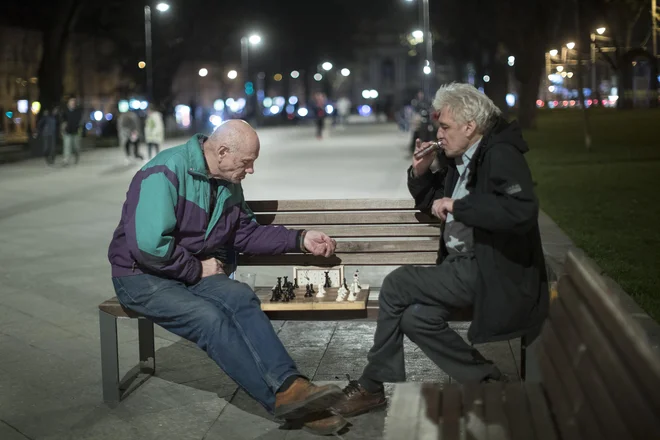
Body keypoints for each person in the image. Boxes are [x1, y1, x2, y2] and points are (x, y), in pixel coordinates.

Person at [107, 120, 347, 435]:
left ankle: (292, 387)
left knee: (240, 297)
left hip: (186, 270)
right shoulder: (165, 171)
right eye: (247, 162)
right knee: (208, 318)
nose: (250, 171)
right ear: (222, 152)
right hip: (141, 276)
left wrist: (300, 239)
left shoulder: (226, 180)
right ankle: (281, 404)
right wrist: (195, 269)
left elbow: (244, 233)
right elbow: (149, 247)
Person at [333, 83, 549, 417]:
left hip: (493, 270)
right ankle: (486, 379)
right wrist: (421, 172)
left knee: (396, 284)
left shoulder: (500, 154)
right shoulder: (463, 159)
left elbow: (520, 210)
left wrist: (461, 207)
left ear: (470, 126)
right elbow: (432, 203)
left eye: (445, 127)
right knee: (416, 318)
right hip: (467, 265)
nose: (439, 134)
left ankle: (372, 385)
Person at [62, 97, 82, 165]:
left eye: (73, 102)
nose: (72, 104)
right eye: (71, 102)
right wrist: (63, 127)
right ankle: (66, 160)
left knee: (75, 147)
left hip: (75, 132)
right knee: (67, 146)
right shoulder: (65, 111)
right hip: (67, 131)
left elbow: (79, 121)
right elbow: (63, 120)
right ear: (68, 103)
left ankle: (77, 156)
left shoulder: (78, 111)